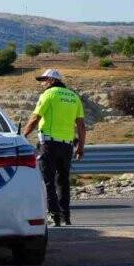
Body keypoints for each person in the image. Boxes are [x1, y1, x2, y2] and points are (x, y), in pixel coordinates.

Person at [22, 69, 86, 226]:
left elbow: (35, 118)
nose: (42, 84)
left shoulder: (48, 95)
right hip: (67, 146)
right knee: (63, 181)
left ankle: (54, 215)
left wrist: (22, 136)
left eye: (44, 80)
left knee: (48, 181)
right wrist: (80, 147)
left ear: (51, 80)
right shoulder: (74, 97)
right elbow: (81, 125)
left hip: (49, 144)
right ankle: (66, 216)